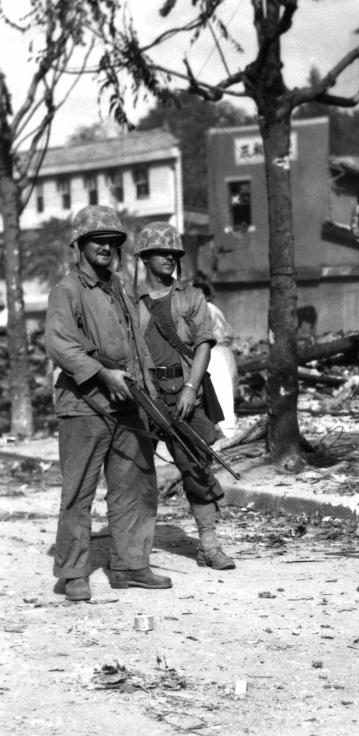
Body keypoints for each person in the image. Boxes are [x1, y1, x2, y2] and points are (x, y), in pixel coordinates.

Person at [45, 205, 170, 601]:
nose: (107, 247)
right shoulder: (68, 290)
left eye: (113, 242)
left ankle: (131, 565)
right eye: (98, 240)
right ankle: (74, 573)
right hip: (84, 405)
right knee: (79, 491)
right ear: (80, 245)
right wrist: (103, 374)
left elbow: (137, 345)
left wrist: (148, 391)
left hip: (127, 402)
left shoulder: (120, 288)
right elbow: (60, 344)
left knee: (135, 484)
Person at [134, 222, 236, 570]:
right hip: (144, 397)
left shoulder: (191, 297)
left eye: (174, 254)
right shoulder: (131, 304)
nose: (170, 258)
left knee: (198, 469)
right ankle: (135, 552)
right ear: (145, 257)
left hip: (184, 391)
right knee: (135, 473)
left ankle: (208, 544)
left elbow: (204, 343)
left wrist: (191, 388)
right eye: (162, 253)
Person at [195, 281, 239, 441]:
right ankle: (222, 429)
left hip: (216, 352)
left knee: (222, 392)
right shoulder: (207, 309)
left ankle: (228, 432)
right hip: (218, 351)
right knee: (220, 391)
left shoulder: (207, 308)